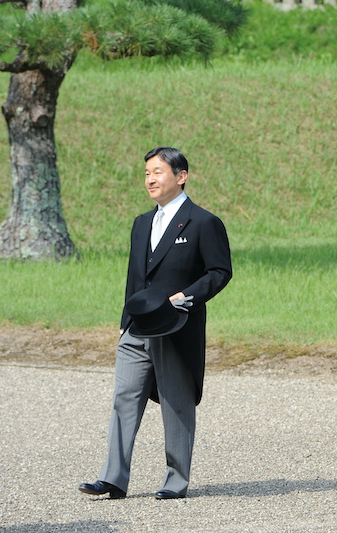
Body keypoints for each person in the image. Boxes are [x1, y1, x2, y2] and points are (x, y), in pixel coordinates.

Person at [79, 147, 232, 499]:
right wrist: (124, 323)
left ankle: (175, 481)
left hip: (177, 326)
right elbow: (135, 278)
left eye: (158, 171)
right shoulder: (141, 223)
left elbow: (220, 272)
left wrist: (185, 298)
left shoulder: (204, 222)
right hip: (137, 329)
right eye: (147, 172)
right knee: (124, 398)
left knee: (176, 402)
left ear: (181, 176)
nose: (150, 178)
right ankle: (113, 478)